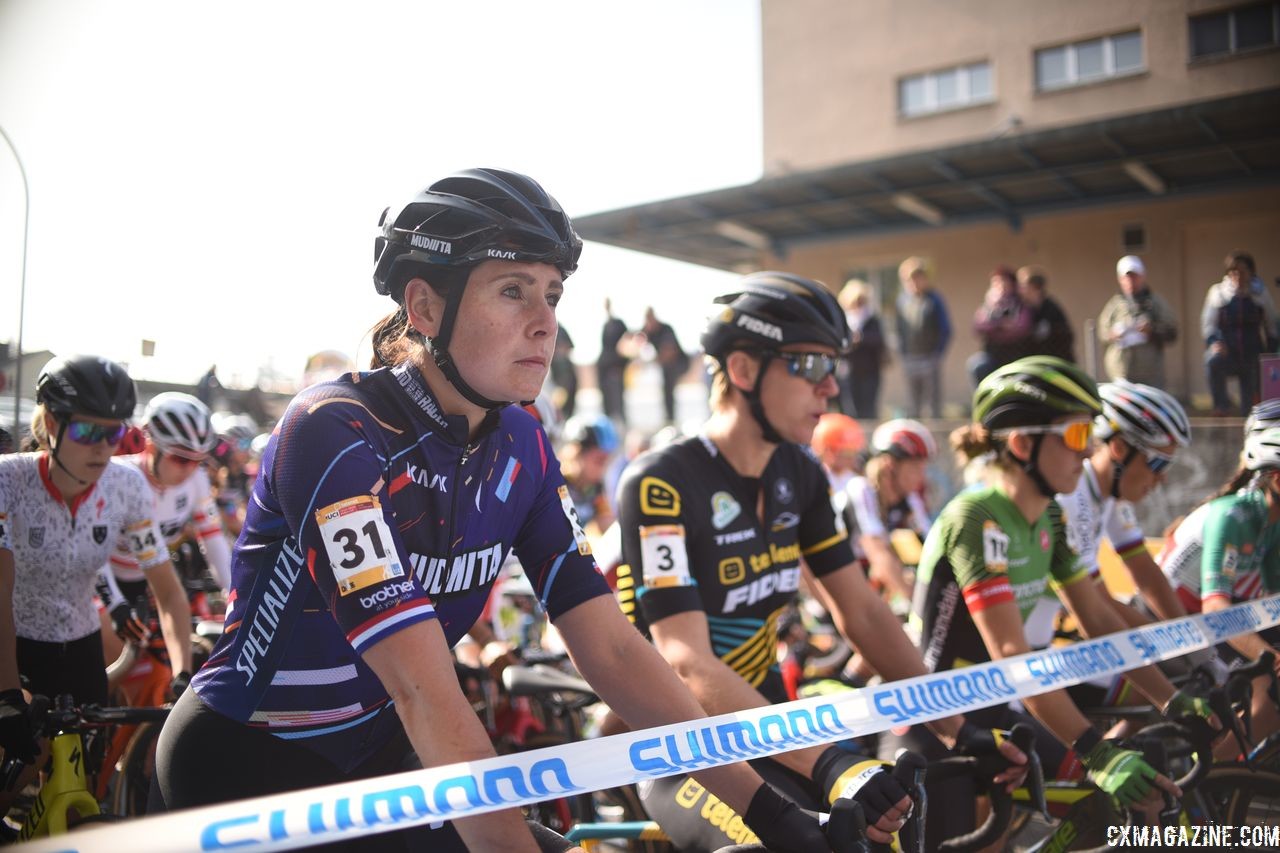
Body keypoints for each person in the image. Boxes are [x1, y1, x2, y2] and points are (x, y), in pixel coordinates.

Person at [150, 169, 858, 853]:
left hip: (374, 755)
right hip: (244, 762)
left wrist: (770, 809)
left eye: (552, 294)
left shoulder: (521, 443)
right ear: (425, 307)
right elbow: (423, 690)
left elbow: (612, 649)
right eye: (513, 290)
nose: (546, 322)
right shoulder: (334, 429)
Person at [617, 272, 1027, 852]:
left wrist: (957, 726)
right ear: (742, 371)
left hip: (771, 727)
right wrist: (831, 766)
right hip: (683, 747)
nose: (830, 387)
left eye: (833, 366)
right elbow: (685, 661)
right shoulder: (662, 482)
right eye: (810, 366)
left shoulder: (800, 473)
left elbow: (862, 612)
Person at [898, 355, 1213, 842]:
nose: (1087, 454)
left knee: (1118, 806)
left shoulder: (1048, 518)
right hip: (939, 718)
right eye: (1076, 437)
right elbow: (1009, 653)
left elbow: (1098, 619)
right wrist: (1096, 749)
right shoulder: (978, 516)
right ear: (1023, 444)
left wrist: (1170, 699)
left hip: (999, 705)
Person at [0, 356, 193, 767]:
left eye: (116, 434)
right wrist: (7, 693)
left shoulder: (126, 486)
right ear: (51, 424)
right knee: (16, 774)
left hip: (81, 649)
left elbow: (169, 591)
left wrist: (182, 673)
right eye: (89, 431)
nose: (104, 448)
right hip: (14, 646)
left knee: (83, 782)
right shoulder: (8, 480)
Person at [95, 393, 230, 682]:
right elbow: (92, 551)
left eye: (199, 460)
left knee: (160, 676)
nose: (190, 469)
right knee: (123, 674)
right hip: (101, 581)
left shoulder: (196, 480)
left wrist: (235, 599)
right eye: (181, 458)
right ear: (151, 444)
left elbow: (215, 542)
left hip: (149, 582)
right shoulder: (120, 478)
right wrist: (115, 602)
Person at [1202, 250, 1278, 416]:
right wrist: (1215, 343)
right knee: (1212, 361)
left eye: (1242, 271)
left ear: (1251, 272)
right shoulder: (1218, 293)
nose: (1238, 275)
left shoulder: (1260, 294)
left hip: (1252, 354)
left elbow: (1271, 325)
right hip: (1228, 352)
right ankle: (1221, 406)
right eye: (1233, 271)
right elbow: (1208, 325)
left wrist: (1268, 355)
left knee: (1250, 410)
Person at [1097, 255, 1178, 388]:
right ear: (1120, 279)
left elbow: (1172, 332)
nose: (1130, 281)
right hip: (1121, 373)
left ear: (1142, 276)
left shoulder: (1156, 303)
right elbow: (1103, 333)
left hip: (1151, 376)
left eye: (1134, 276)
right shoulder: (1114, 306)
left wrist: (1150, 331)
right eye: (1126, 277)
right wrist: (1114, 334)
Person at [895, 257, 951, 418]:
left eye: (917, 278)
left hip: (929, 357)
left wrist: (937, 353)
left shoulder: (934, 300)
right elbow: (898, 330)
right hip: (910, 357)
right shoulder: (902, 301)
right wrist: (903, 353)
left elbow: (945, 329)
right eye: (909, 280)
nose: (914, 283)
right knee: (913, 403)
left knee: (933, 401)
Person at [968, 265, 1033, 388]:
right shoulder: (988, 305)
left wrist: (1000, 328)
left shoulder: (1020, 305)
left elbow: (1022, 327)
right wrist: (1000, 325)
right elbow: (978, 326)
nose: (1000, 285)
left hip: (1017, 356)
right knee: (977, 364)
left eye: (1003, 281)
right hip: (992, 355)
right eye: (996, 282)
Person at [836, 279, 886, 418]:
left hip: (870, 371)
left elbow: (879, 340)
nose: (858, 306)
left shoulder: (872, 320)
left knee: (868, 410)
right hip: (849, 373)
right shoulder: (844, 321)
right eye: (855, 302)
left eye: (861, 301)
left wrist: (862, 338)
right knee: (851, 411)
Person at [641, 306, 688, 425]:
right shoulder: (648, 331)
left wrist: (655, 359)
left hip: (678, 362)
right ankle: (668, 417)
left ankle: (671, 418)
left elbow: (670, 351)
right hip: (665, 365)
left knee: (668, 387)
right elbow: (636, 340)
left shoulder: (666, 329)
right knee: (665, 389)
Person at [1018, 265, 1074, 362]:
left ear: (1035, 287)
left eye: (1023, 286)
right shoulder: (1023, 310)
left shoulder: (1051, 309)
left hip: (1056, 361)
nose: (1020, 290)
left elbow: (1067, 336)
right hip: (1033, 362)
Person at [811, 412, 865, 493]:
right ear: (827, 450)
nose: (850, 458)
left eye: (852, 452)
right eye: (845, 452)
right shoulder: (814, 478)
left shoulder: (857, 483)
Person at [597, 298, 631, 426]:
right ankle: (609, 424)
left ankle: (621, 423)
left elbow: (626, 344)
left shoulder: (618, 324)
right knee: (606, 398)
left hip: (616, 366)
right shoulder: (606, 325)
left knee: (617, 398)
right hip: (604, 366)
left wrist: (620, 363)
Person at [550, 321, 578, 419]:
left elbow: (570, 346)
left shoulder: (561, 330)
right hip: (557, 377)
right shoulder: (548, 329)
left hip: (567, 376)